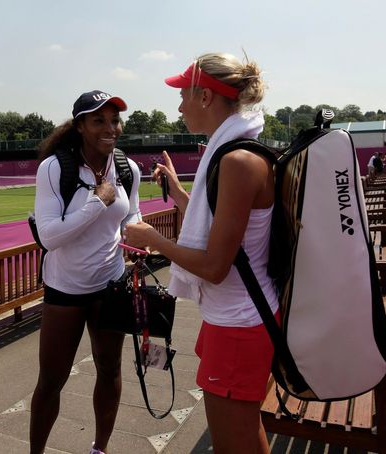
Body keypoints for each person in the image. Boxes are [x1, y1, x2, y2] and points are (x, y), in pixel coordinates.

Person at [124, 53, 276, 454]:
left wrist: (153, 239)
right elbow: (223, 229)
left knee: (235, 440)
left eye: (183, 95)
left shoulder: (237, 160)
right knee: (240, 433)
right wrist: (177, 193)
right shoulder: (233, 152)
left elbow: (214, 266)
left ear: (206, 97)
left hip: (238, 323)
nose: (178, 106)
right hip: (234, 318)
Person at [30, 90, 142, 454]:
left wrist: (140, 240)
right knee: (51, 381)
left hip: (110, 284)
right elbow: (49, 237)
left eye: (114, 121)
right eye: (99, 120)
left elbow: (130, 217)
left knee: (109, 371)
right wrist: (97, 202)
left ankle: (100, 449)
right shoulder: (55, 168)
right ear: (80, 126)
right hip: (65, 288)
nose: (110, 128)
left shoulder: (127, 168)